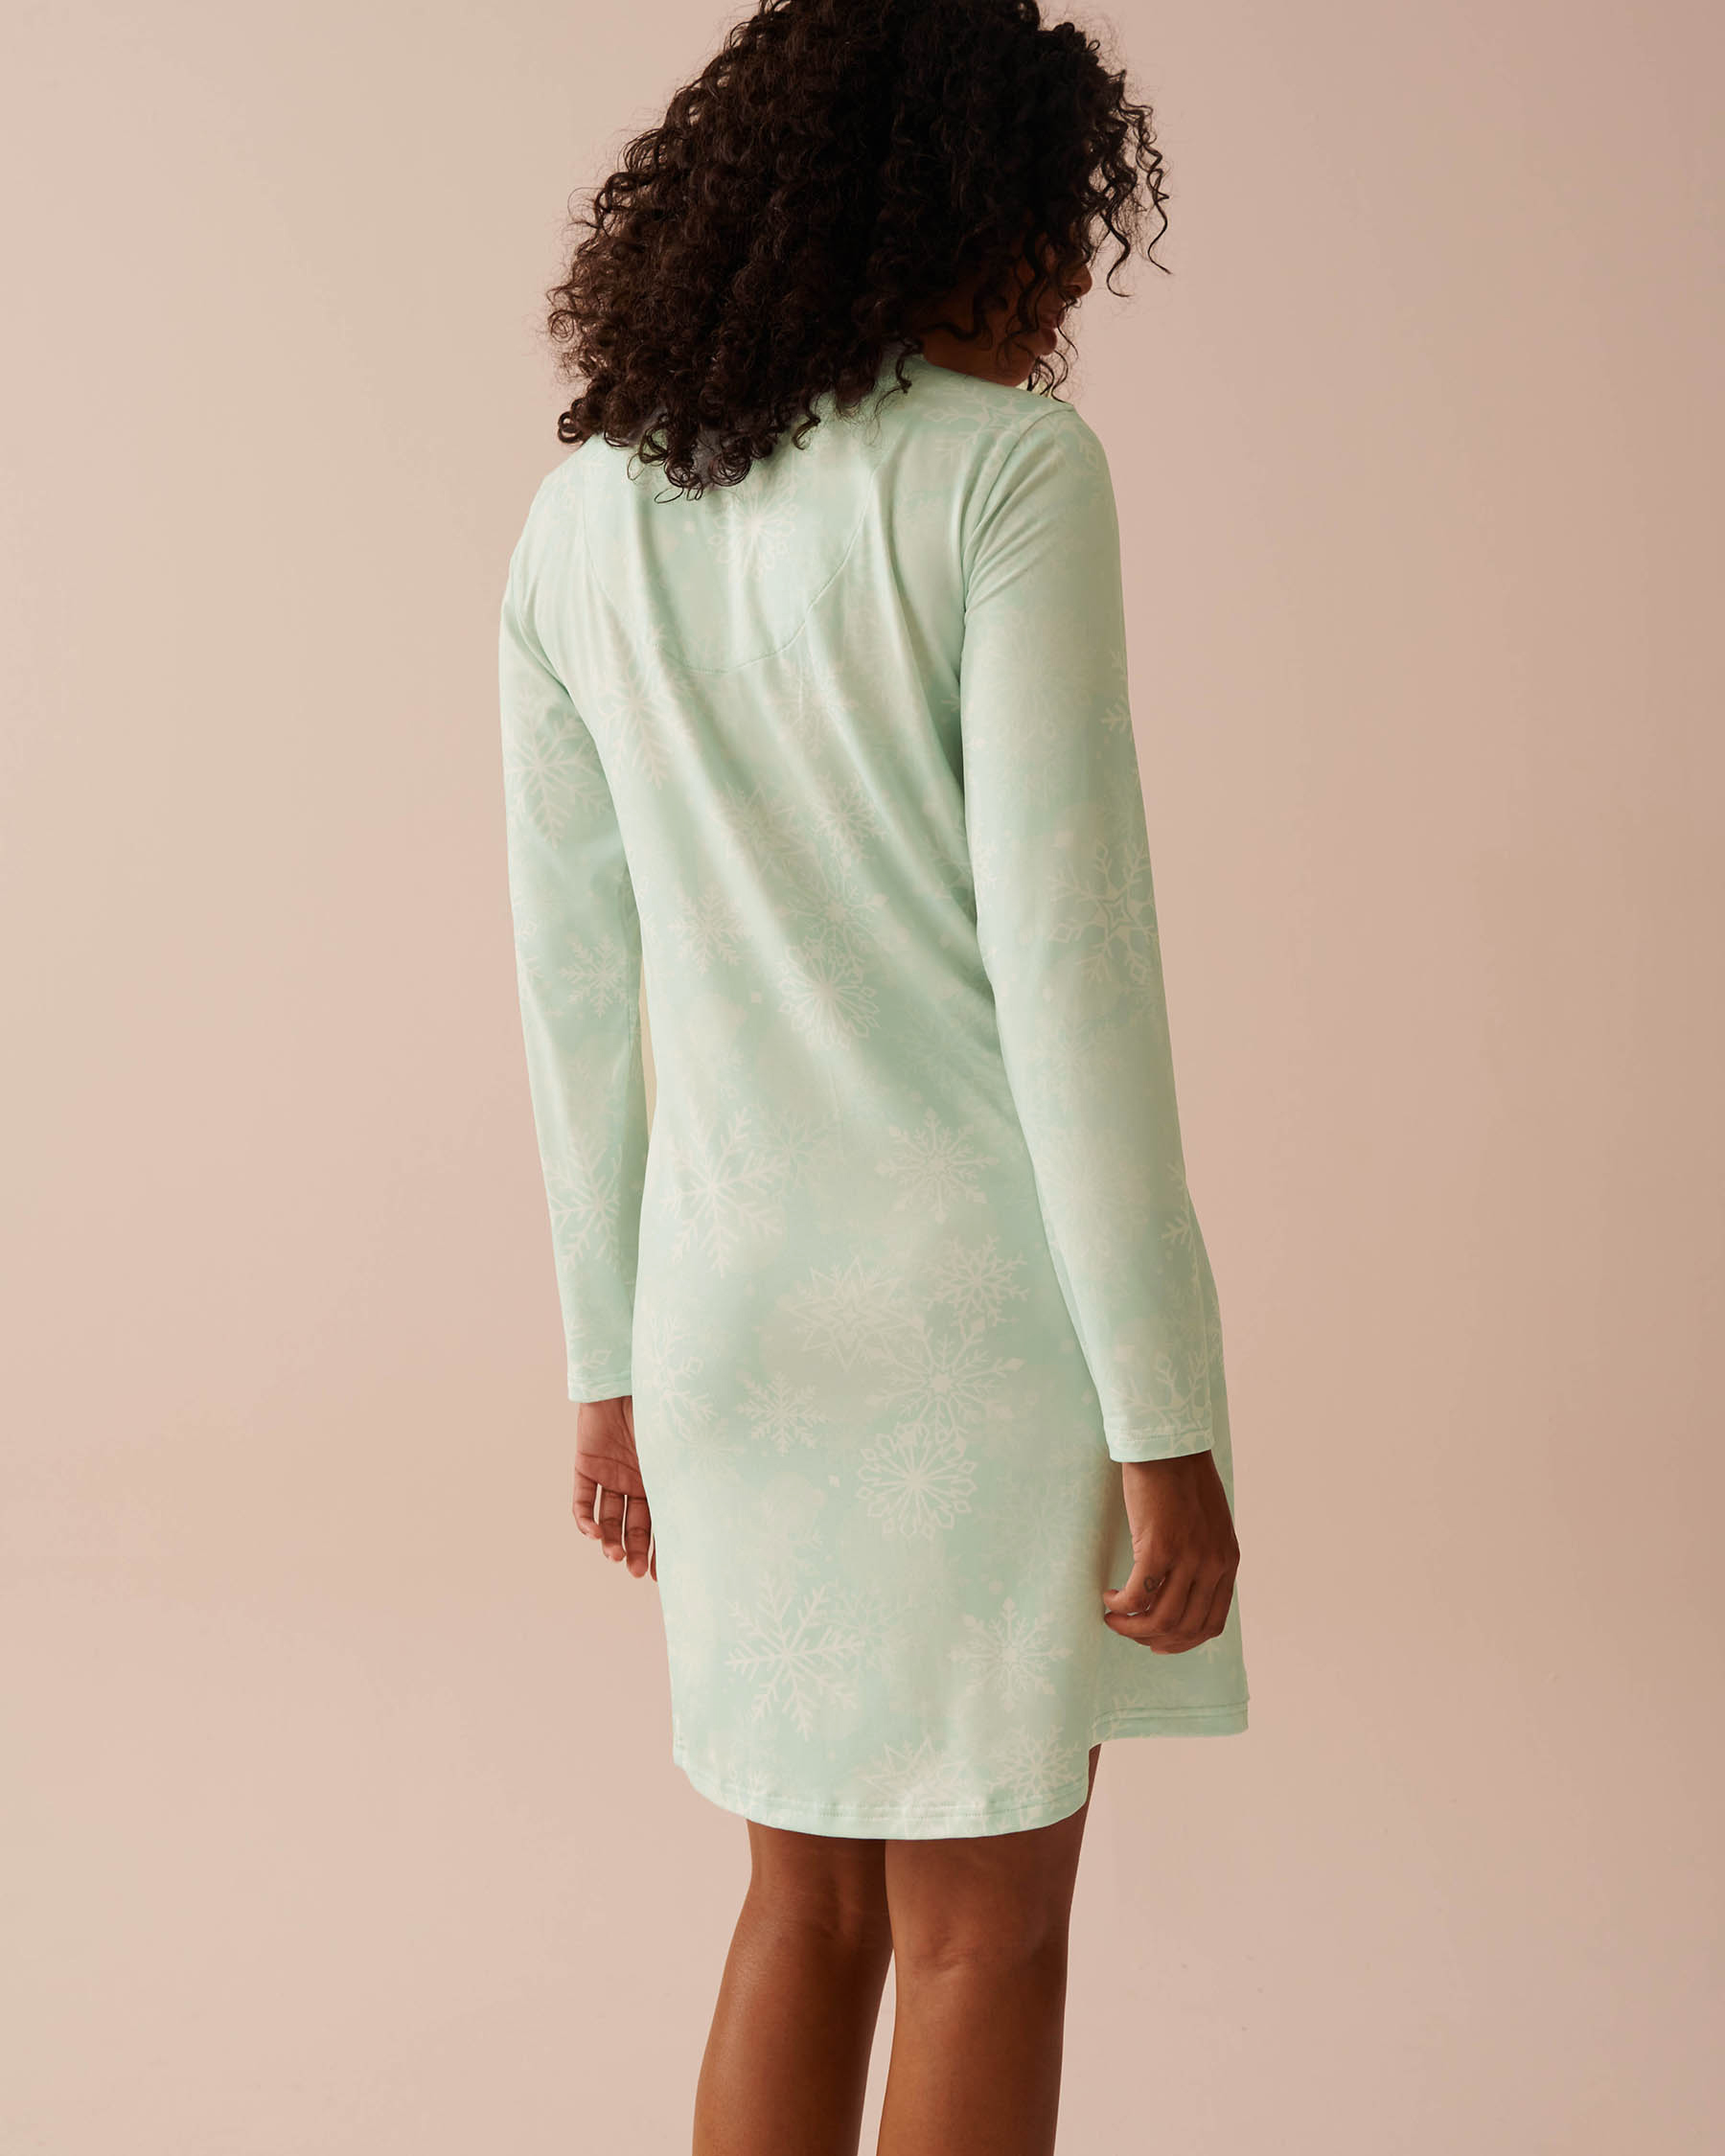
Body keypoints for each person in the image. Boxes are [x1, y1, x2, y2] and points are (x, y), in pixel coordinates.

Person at [496, 4, 1248, 2149]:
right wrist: (1165, 1413)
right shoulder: (1008, 476)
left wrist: (606, 1364)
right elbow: (1073, 970)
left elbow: (574, 989)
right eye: (1053, 226)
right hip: (975, 1326)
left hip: (725, 1324)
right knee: (983, 1937)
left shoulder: (580, 524)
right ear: (956, 217)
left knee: (802, 1907)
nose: (1070, 281)